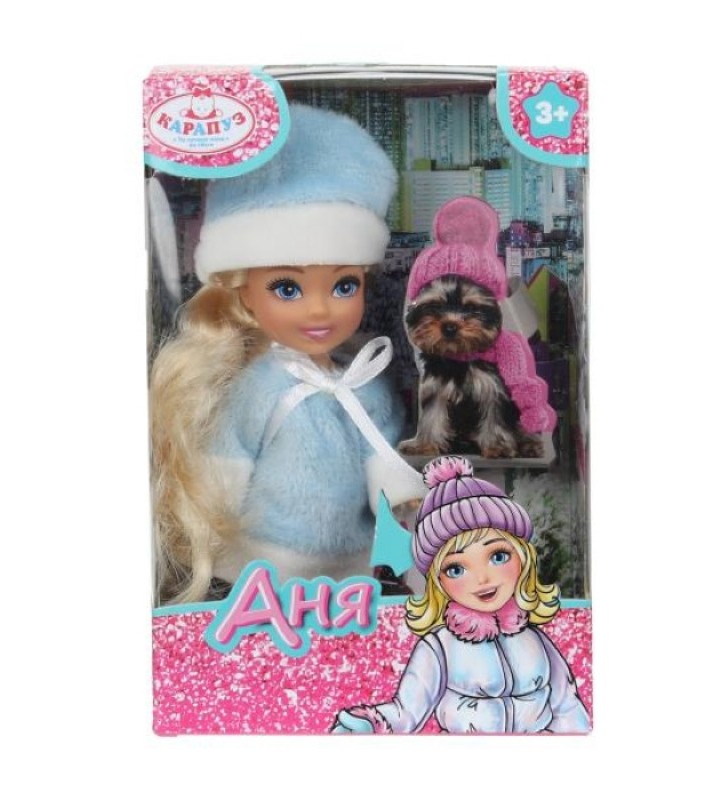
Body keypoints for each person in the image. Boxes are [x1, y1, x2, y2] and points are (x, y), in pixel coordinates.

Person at [150, 104, 423, 604]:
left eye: (344, 285)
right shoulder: (260, 385)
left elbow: (382, 461)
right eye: (287, 288)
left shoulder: (367, 383)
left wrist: (407, 506)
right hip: (262, 569)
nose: (320, 309)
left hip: (353, 569)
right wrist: (205, 535)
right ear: (244, 293)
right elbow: (225, 470)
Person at [332, 456, 591, 733]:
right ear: (438, 581)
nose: (482, 579)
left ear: (523, 557)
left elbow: (567, 705)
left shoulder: (535, 637)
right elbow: (405, 711)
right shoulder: (440, 646)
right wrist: (366, 725)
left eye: (498, 556)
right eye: (456, 569)